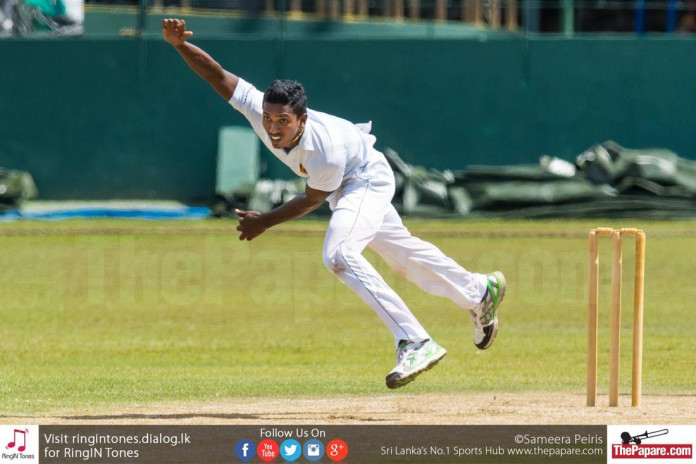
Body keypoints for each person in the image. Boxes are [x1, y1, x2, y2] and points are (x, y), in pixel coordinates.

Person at [162, 18, 506, 389]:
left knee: (339, 254)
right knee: (403, 256)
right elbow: (217, 76)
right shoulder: (259, 110)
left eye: (283, 121)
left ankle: (415, 340)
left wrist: (264, 222)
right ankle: (478, 291)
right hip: (347, 185)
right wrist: (180, 45)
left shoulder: (321, 149)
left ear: (302, 119)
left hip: (364, 180)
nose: (274, 128)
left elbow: (311, 199)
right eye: (269, 118)